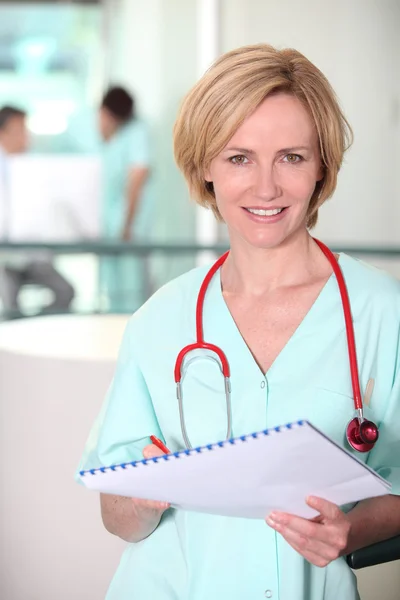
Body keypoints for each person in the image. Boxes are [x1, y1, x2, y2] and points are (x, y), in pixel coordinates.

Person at [78, 45, 400, 600]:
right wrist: (143, 494)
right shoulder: (161, 319)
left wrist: (351, 530)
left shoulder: (379, 312)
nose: (267, 188)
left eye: (292, 157)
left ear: (322, 164)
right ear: (205, 166)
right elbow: (118, 516)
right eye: (239, 158)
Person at [0, 106, 74, 318]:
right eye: (19, 130)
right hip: (4, 257)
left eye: (26, 130)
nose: (25, 137)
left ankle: (33, 326)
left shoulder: (35, 167)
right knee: (10, 304)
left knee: (66, 291)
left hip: (33, 254)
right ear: (2, 134)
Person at [98, 86, 152, 313]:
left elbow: (137, 178)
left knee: (131, 295)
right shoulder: (115, 138)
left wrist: (127, 223)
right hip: (112, 228)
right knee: (113, 292)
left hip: (128, 229)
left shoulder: (137, 132)